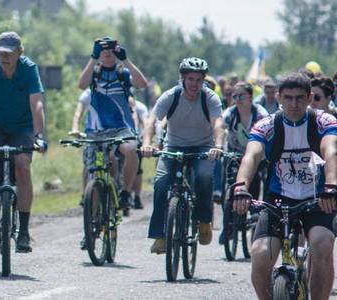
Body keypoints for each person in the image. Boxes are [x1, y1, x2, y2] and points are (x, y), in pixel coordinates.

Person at [232, 72, 337, 300]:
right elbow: (251, 156)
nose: (294, 104)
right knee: (260, 256)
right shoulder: (267, 125)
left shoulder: (323, 121)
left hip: (318, 199)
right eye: (287, 97)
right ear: (278, 97)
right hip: (278, 200)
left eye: (300, 98)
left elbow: (331, 151)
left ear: (310, 97)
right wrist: (241, 187)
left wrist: (331, 186)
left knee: (322, 243)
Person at [0, 31, 47, 253]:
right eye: (1, 53)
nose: (4, 57)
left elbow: (37, 105)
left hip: (22, 127)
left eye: (9, 53)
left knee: (22, 166)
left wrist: (39, 136)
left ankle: (23, 231)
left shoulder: (29, 69)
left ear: (19, 53)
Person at [141, 57, 223, 254]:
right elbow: (151, 120)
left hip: (202, 147)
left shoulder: (210, 97)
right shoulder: (171, 96)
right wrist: (146, 144)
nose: (195, 84)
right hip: (174, 145)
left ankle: (203, 221)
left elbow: (218, 123)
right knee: (161, 183)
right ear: (182, 79)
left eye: (198, 80)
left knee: (203, 177)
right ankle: (160, 236)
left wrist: (218, 145)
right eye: (190, 79)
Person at [76, 36, 148, 210]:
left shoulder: (123, 73)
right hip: (95, 129)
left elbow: (142, 84)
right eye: (103, 50)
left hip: (121, 128)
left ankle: (125, 192)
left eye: (111, 50)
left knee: (131, 150)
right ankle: (91, 225)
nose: (108, 53)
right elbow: (81, 84)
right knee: (92, 175)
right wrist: (93, 57)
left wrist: (125, 59)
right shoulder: (94, 73)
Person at [217, 82, 268, 243]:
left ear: (250, 97)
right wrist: (218, 143)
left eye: (241, 96)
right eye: (235, 96)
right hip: (234, 153)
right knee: (229, 188)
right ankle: (228, 225)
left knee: (254, 179)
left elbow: (268, 130)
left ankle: (254, 212)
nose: (237, 100)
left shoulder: (260, 113)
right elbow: (220, 124)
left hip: (255, 155)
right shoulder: (230, 113)